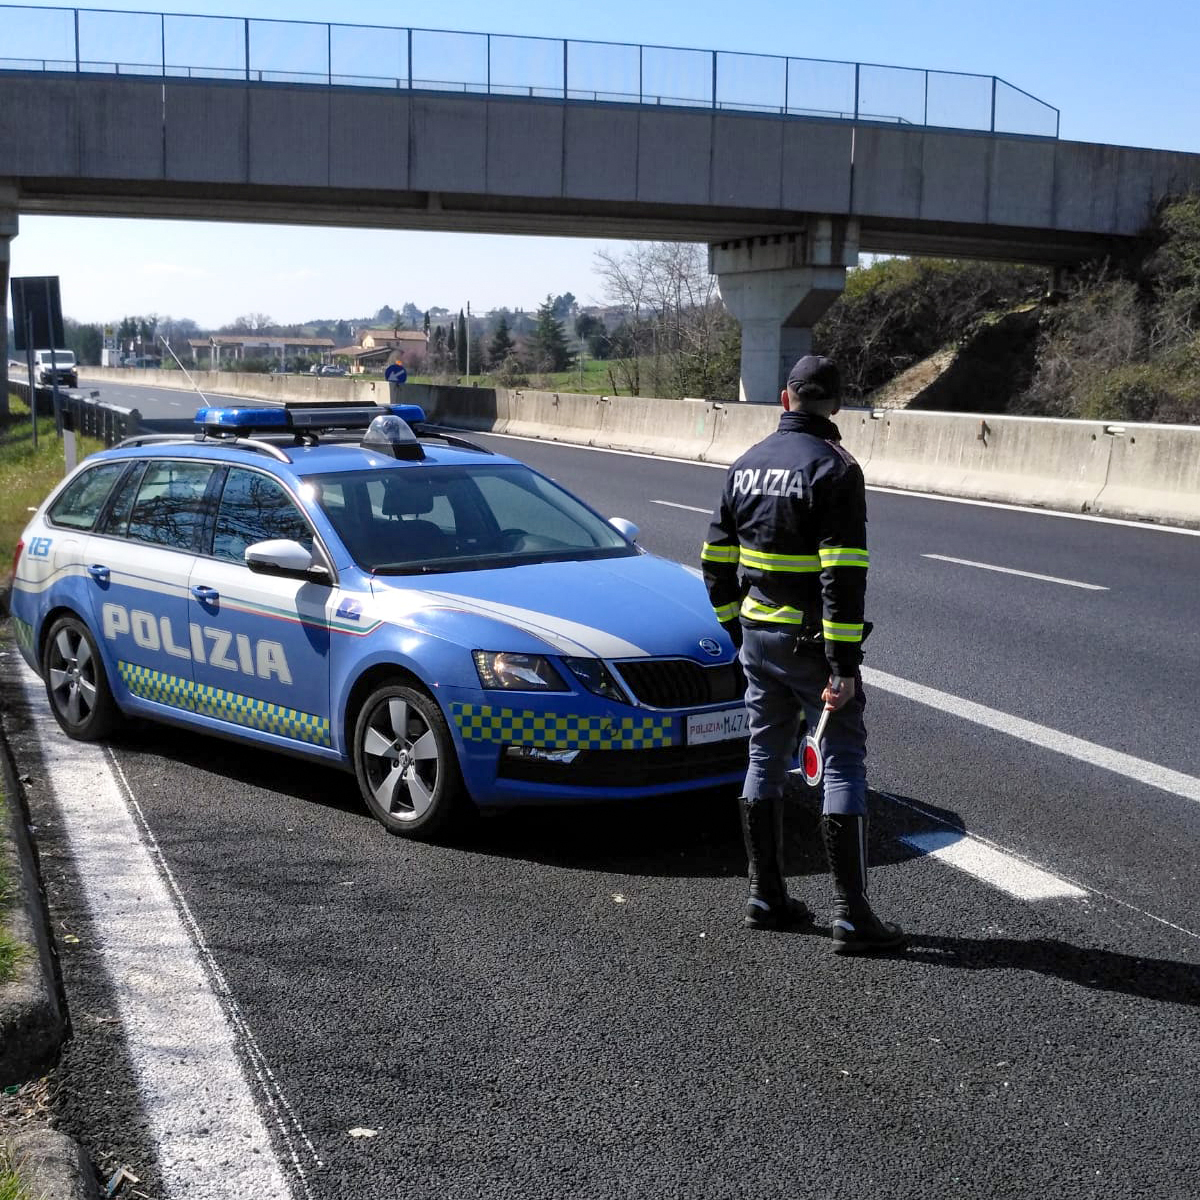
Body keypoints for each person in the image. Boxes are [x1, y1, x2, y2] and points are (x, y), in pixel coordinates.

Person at [701, 355, 905, 954]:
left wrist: (737, 631)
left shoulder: (745, 465)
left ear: (785, 400)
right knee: (841, 760)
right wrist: (843, 667)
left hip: (759, 638)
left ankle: (766, 896)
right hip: (811, 646)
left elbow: (715, 563)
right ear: (836, 405)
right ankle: (851, 914)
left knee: (764, 755)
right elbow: (843, 575)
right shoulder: (836, 469)